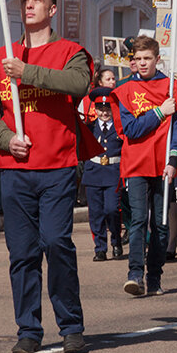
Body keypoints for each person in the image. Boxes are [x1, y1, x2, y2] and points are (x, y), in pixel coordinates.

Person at [0, 0, 95, 353]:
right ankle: (28, 328)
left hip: (57, 165)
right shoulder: (1, 57)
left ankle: (71, 325)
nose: (29, 6)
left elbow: (78, 83)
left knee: (57, 242)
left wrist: (28, 72)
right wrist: (5, 137)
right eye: (25, 1)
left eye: (37, 0)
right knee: (22, 251)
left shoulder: (70, 52)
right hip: (14, 168)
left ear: (52, 9)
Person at [112, 36, 177, 296]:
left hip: (163, 164)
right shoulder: (124, 90)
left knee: (161, 223)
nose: (142, 63)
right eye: (138, 59)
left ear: (157, 59)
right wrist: (158, 112)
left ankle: (154, 276)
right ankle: (135, 274)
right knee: (137, 221)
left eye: (147, 58)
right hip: (135, 163)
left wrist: (174, 160)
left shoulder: (172, 88)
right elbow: (131, 130)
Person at [80, 87, 121, 262]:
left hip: (113, 172)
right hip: (94, 173)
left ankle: (116, 240)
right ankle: (100, 248)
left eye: (107, 108)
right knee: (96, 213)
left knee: (112, 209)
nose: (104, 113)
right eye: (100, 109)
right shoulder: (89, 128)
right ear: (95, 110)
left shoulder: (120, 127)